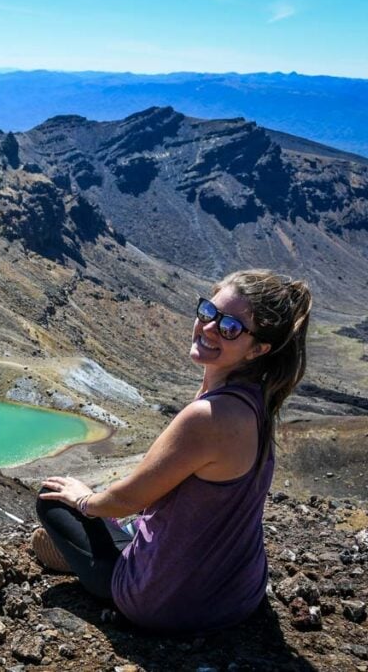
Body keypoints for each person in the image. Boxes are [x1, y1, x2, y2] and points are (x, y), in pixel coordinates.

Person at [35, 270, 312, 633]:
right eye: (208, 312)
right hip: (239, 593)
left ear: (259, 349)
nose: (209, 327)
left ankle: (87, 558)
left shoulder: (208, 417)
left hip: (166, 601)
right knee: (123, 519)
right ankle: (95, 545)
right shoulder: (260, 400)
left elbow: (126, 500)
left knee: (52, 499)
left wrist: (85, 501)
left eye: (230, 328)